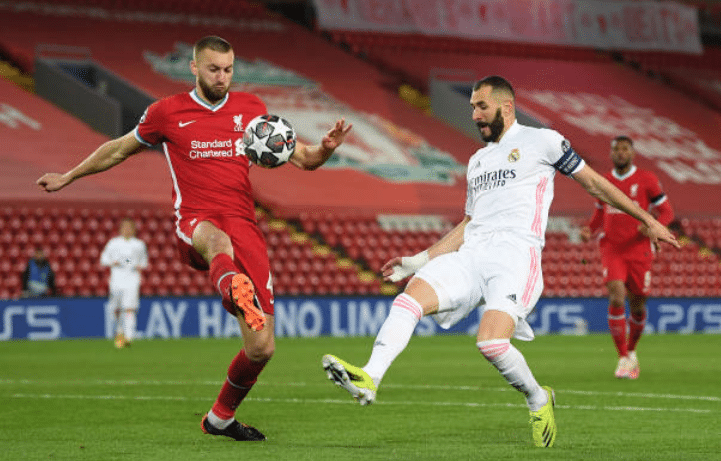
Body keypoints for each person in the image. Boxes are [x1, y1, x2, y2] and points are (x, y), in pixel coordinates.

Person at [321, 76, 679, 448]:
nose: (474, 115)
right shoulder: (478, 161)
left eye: (481, 107)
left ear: (506, 107)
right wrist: (419, 260)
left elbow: (594, 184)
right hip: (471, 254)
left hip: (515, 258)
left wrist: (647, 218)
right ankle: (370, 377)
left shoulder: (543, 141)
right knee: (409, 299)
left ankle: (538, 398)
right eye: (472, 107)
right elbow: (469, 223)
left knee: (490, 344)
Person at [37, 35, 351, 441]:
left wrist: (325, 149)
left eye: (229, 69)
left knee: (262, 349)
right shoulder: (166, 113)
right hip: (196, 221)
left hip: (245, 225)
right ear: (194, 67)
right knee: (217, 242)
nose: (223, 77)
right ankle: (234, 286)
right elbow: (117, 150)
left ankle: (219, 418)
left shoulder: (252, 110)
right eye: (214, 69)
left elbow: (304, 159)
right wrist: (68, 176)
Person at [580, 136, 674, 380]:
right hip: (612, 247)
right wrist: (590, 228)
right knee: (616, 294)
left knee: (639, 304)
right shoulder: (605, 181)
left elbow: (667, 211)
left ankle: (631, 351)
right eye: (616, 149)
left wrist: (654, 226)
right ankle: (622, 357)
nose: (621, 153)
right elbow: (600, 212)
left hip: (639, 249)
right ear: (611, 154)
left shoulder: (647, 180)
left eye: (625, 149)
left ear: (632, 153)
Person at [100, 218, 149, 349]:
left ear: (134, 230)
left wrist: (135, 265)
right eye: (125, 227)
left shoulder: (139, 244)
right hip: (116, 278)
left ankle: (129, 336)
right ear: (120, 229)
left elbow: (144, 262)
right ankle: (119, 331)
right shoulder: (113, 243)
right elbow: (103, 259)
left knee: (129, 307)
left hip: (132, 279)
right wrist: (113, 262)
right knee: (115, 308)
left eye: (130, 227)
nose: (127, 230)